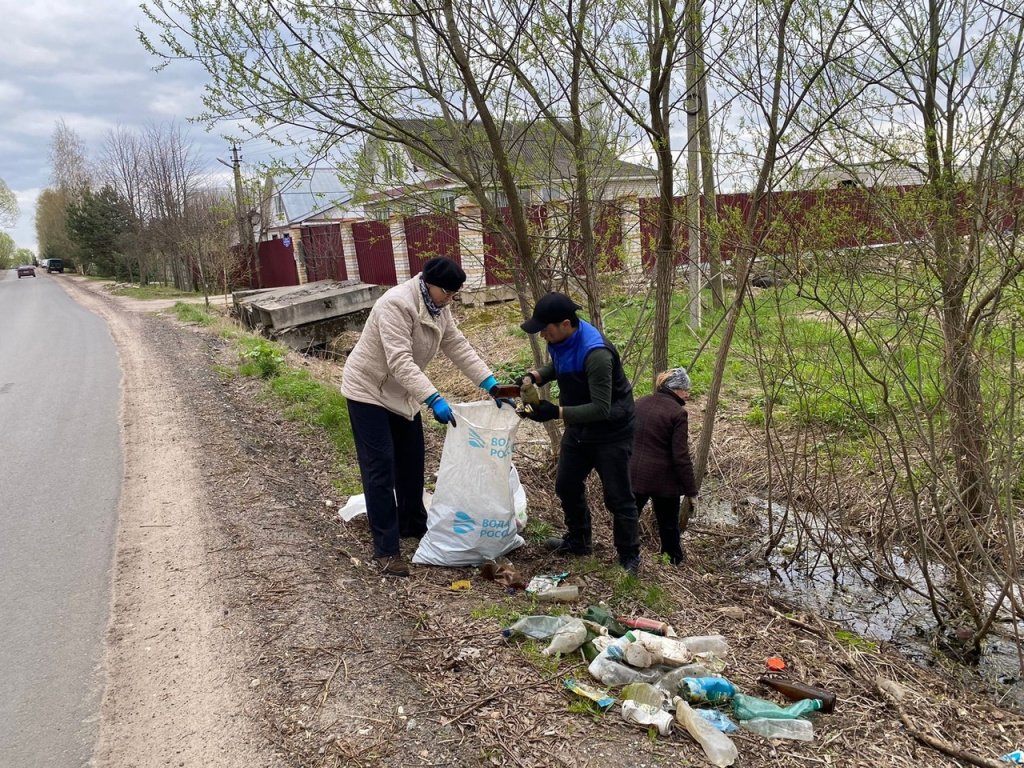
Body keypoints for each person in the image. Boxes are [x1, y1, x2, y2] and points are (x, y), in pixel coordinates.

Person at [340, 257, 508, 577]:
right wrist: (433, 398)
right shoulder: (397, 305)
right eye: (447, 291)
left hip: (400, 394)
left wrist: (491, 384)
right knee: (381, 468)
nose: (450, 299)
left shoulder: (438, 306)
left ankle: (412, 524)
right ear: (427, 282)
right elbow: (400, 361)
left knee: (412, 461)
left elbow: (457, 345)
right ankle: (387, 550)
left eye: (454, 294)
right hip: (368, 390)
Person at [517, 292, 641, 574]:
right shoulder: (560, 340)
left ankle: (629, 557)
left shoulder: (596, 353)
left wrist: (555, 412)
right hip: (580, 429)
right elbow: (559, 365)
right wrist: (535, 376)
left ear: (564, 324)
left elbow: (601, 408)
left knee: (618, 497)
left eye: (545, 330)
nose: (543, 336)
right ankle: (579, 540)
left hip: (612, 432)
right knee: (566, 484)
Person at [630, 367, 698, 565]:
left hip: (634, 475)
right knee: (668, 524)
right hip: (663, 481)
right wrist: (691, 491)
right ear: (676, 389)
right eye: (686, 389)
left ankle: (627, 556)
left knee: (629, 517)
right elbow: (681, 456)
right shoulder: (678, 413)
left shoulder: (639, 403)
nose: (687, 394)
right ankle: (672, 561)